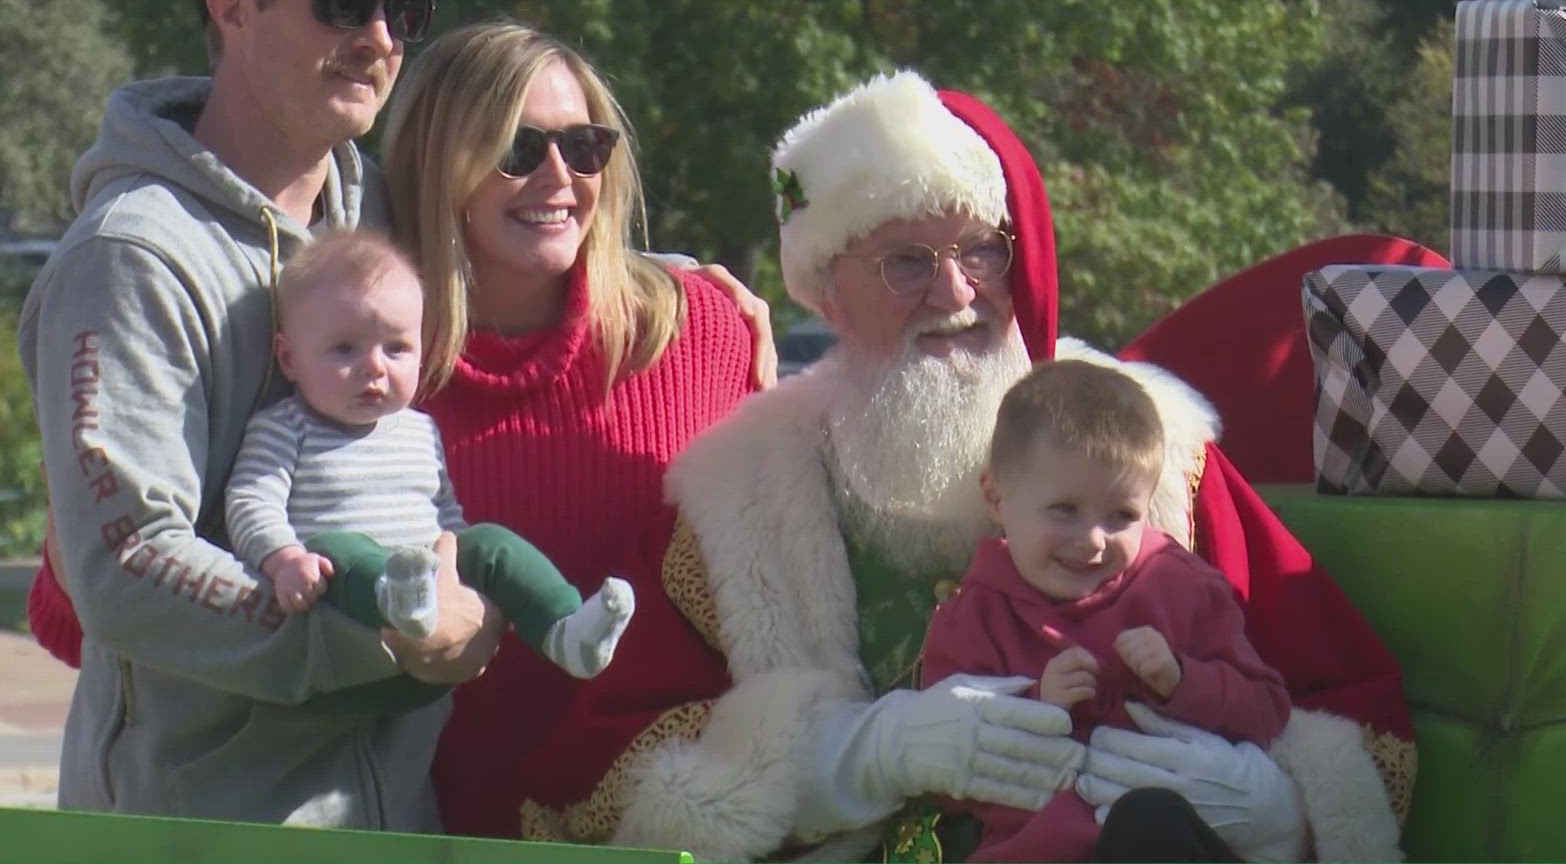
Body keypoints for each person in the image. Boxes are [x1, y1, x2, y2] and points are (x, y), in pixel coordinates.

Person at [523, 70, 1416, 862]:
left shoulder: (1149, 450)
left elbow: (1355, 716)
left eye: (981, 250)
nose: (954, 295)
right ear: (827, 289)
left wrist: (1269, 809)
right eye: (905, 262)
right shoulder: (739, 499)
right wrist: (859, 756)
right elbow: (596, 790)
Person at [18, 0, 503, 830]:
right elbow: (128, 562)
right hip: (201, 826)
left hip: (396, 819)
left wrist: (686, 288)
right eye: (341, 1)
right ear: (235, 10)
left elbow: (533, 242)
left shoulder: (378, 216)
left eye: (402, 15)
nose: (377, 40)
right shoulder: (132, 257)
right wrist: (395, 636)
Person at [375, 20, 763, 838]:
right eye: (518, 147)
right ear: (435, 162)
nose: (559, 176)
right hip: (424, 832)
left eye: (585, 146)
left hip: (666, 835)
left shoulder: (704, 331)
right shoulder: (362, 367)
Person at [920, 358, 1291, 862]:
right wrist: (1033, 709)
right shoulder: (973, 617)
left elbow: (1267, 711)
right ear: (996, 495)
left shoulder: (1179, 587)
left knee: (1148, 819)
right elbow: (944, 785)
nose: (1093, 541)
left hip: (1165, 842)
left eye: (1121, 516)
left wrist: (1181, 680)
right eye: (1064, 510)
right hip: (1036, 853)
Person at [225, 228, 634, 683]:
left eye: (396, 348)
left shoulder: (418, 428)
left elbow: (444, 510)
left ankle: (564, 629)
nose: (375, 366)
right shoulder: (286, 427)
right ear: (289, 358)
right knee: (338, 548)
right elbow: (250, 501)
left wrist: (459, 568)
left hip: (433, 603)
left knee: (493, 543)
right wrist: (283, 559)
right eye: (345, 348)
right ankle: (393, 596)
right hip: (347, 622)